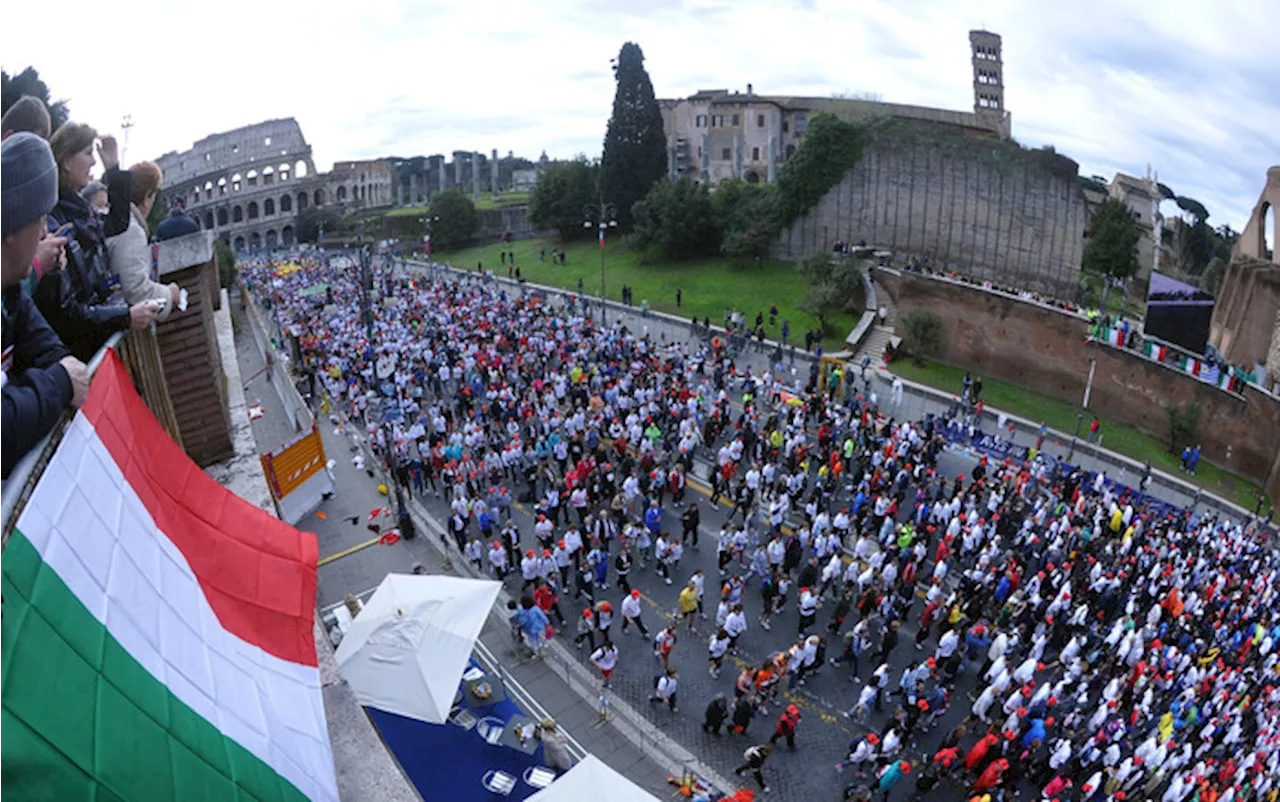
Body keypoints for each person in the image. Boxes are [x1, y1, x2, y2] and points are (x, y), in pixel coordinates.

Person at [0, 132, 90, 476]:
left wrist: (65, 373)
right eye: (39, 219)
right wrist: (60, 384)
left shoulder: (10, 291)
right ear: (12, 225)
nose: (44, 234)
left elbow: (51, 350)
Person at [37, 123, 156, 360]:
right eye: (88, 153)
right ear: (67, 161)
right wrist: (125, 316)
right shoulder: (54, 224)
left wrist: (113, 168)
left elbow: (117, 224)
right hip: (81, 351)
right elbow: (67, 312)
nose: (93, 162)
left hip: (93, 340)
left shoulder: (80, 210)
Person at [106, 160, 180, 317]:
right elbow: (136, 291)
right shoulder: (131, 231)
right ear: (147, 196)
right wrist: (169, 294)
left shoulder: (120, 223)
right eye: (153, 196)